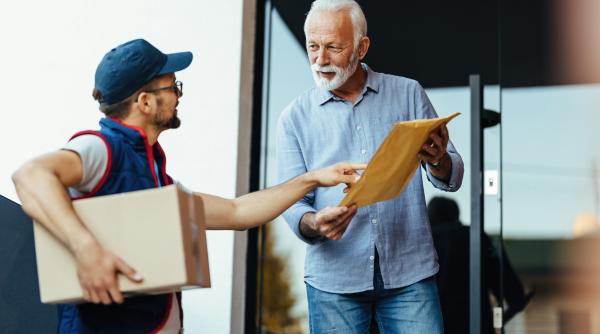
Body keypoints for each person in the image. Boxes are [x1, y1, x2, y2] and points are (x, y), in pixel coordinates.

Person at [11, 39, 365, 333]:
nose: (179, 95)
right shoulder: (102, 148)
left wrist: (314, 177)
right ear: (145, 102)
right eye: (172, 87)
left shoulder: (154, 176)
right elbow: (31, 175)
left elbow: (237, 211)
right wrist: (86, 249)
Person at [275, 0, 464, 332]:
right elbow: (292, 205)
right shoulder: (294, 118)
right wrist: (315, 223)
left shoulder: (408, 94)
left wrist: (438, 160)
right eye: (313, 47)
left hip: (410, 274)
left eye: (333, 47)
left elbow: (454, 174)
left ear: (361, 47)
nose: (320, 60)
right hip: (334, 281)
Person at [428, 196, 532, 334]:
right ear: (456, 215)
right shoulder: (476, 238)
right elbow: (514, 295)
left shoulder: (422, 244)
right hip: (476, 328)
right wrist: (498, 321)